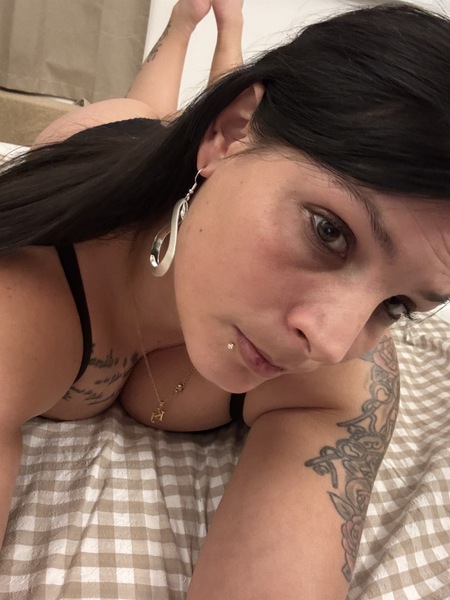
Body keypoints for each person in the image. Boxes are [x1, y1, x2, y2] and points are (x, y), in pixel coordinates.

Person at [0, 1, 449, 598]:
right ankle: (187, 22)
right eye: (329, 232)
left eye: (397, 305)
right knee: (142, 111)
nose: (331, 342)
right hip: (114, 147)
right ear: (233, 133)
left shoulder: (341, 371)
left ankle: (225, 41)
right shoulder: (28, 294)